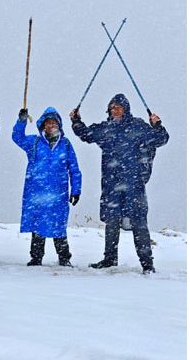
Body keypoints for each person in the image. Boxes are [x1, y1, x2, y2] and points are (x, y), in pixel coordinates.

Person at [70, 93, 168, 274]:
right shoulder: (106, 129)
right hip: (111, 185)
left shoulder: (138, 126)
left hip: (134, 185)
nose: (115, 110)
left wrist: (157, 125)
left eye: (119, 107)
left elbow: (161, 139)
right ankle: (109, 259)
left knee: (139, 223)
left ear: (126, 109)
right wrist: (76, 121)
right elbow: (86, 134)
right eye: (112, 108)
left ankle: (147, 265)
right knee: (112, 222)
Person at [13, 106, 82, 266]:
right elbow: (17, 137)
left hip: (58, 193)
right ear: (43, 125)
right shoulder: (34, 143)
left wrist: (76, 189)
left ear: (58, 124)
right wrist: (21, 121)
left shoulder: (65, 144)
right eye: (47, 123)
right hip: (37, 193)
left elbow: (74, 168)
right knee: (38, 226)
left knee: (59, 227)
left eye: (53, 123)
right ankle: (36, 257)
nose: (51, 125)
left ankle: (64, 258)